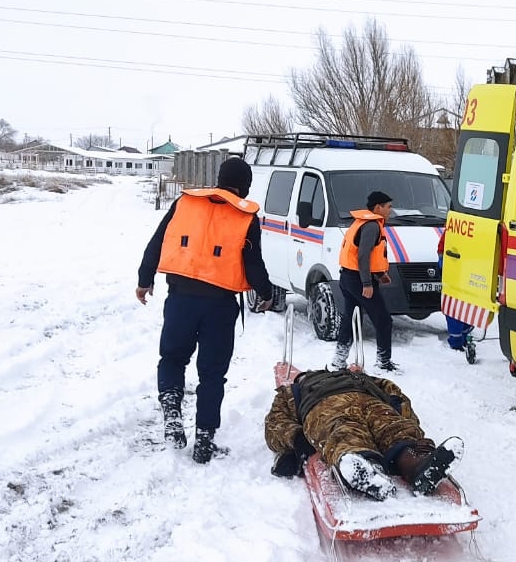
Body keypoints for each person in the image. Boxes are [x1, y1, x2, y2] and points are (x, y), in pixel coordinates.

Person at [137, 157, 273, 463]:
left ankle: (172, 408)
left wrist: (144, 280)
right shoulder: (245, 216)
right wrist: (266, 294)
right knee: (212, 375)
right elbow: (253, 264)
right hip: (220, 307)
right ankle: (204, 440)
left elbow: (157, 242)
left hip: (180, 299)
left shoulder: (184, 204)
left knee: (172, 358)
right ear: (244, 185)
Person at [264, 366, 464, 500]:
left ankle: (414, 466)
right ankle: (379, 466)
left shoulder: (354, 377)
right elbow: (275, 423)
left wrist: (295, 437)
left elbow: (275, 423)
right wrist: (297, 439)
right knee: (350, 431)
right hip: (331, 405)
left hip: (357, 402)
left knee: (384, 428)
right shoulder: (295, 390)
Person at [329, 191, 398, 372]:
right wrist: (367, 283)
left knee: (350, 320)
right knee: (383, 320)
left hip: (347, 277)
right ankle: (383, 363)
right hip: (358, 280)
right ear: (378, 207)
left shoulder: (361, 222)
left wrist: (380, 274)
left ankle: (339, 359)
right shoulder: (372, 226)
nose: (391, 210)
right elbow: (363, 256)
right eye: (388, 206)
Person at [437, 231, 474, 353]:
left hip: (455, 260)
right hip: (458, 261)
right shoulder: (465, 223)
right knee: (459, 301)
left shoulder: (458, 222)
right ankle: (459, 339)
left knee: (457, 302)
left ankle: (459, 338)